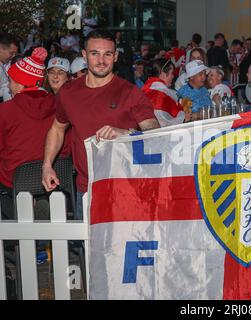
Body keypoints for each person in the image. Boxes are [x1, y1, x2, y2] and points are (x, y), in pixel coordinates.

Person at [41, 30, 160, 220]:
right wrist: (47, 165)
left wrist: (125, 133)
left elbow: (155, 133)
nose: (101, 60)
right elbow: (57, 128)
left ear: (116, 56)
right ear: (84, 55)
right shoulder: (68, 92)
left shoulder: (130, 92)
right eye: (95, 53)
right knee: (88, 248)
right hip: (87, 187)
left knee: (122, 247)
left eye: (108, 54)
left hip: (126, 186)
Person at [0, 48, 70, 220]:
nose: (8, 86)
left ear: (20, 83)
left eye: (10, 81)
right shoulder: (60, 106)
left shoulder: (6, 110)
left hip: (14, 182)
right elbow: (67, 146)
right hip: (56, 177)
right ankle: (39, 208)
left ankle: (15, 231)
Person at [142, 59, 185, 127]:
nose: (173, 76)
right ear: (163, 74)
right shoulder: (161, 94)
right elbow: (178, 119)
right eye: (172, 73)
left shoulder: (145, 89)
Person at [0, 32, 19, 103]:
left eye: (15, 53)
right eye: (11, 53)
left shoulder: (4, 64)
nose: (13, 56)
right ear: (1, 48)